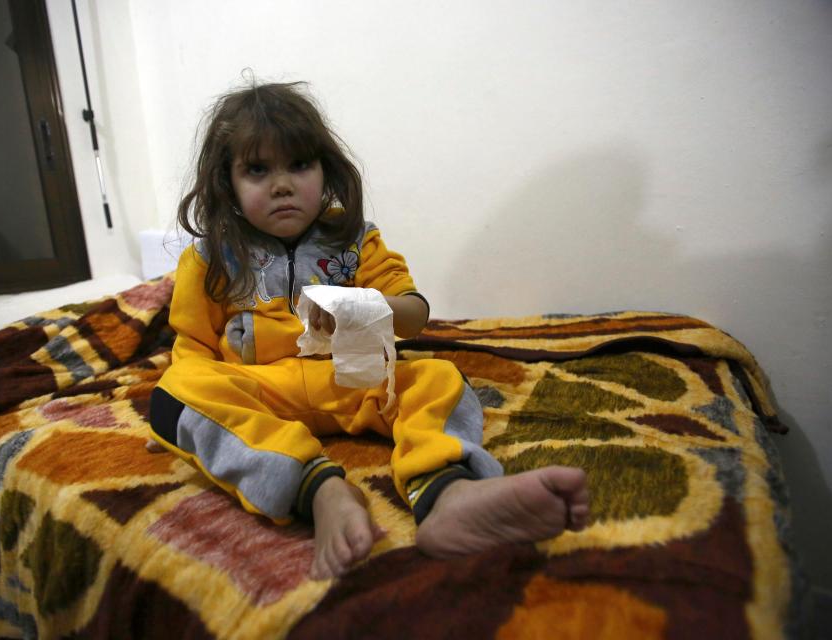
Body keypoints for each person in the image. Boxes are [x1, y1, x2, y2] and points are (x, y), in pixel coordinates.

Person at [148, 80, 590, 580]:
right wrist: (192, 423)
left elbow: (415, 315)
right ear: (226, 183)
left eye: (299, 164)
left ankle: (448, 491)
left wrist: (365, 306)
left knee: (439, 378)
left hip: (352, 382)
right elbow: (193, 348)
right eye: (257, 169)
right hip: (261, 393)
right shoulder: (209, 256)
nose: (282, 185)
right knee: (173, 396)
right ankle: (318, 489)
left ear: (325, 168)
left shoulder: (354, 239)